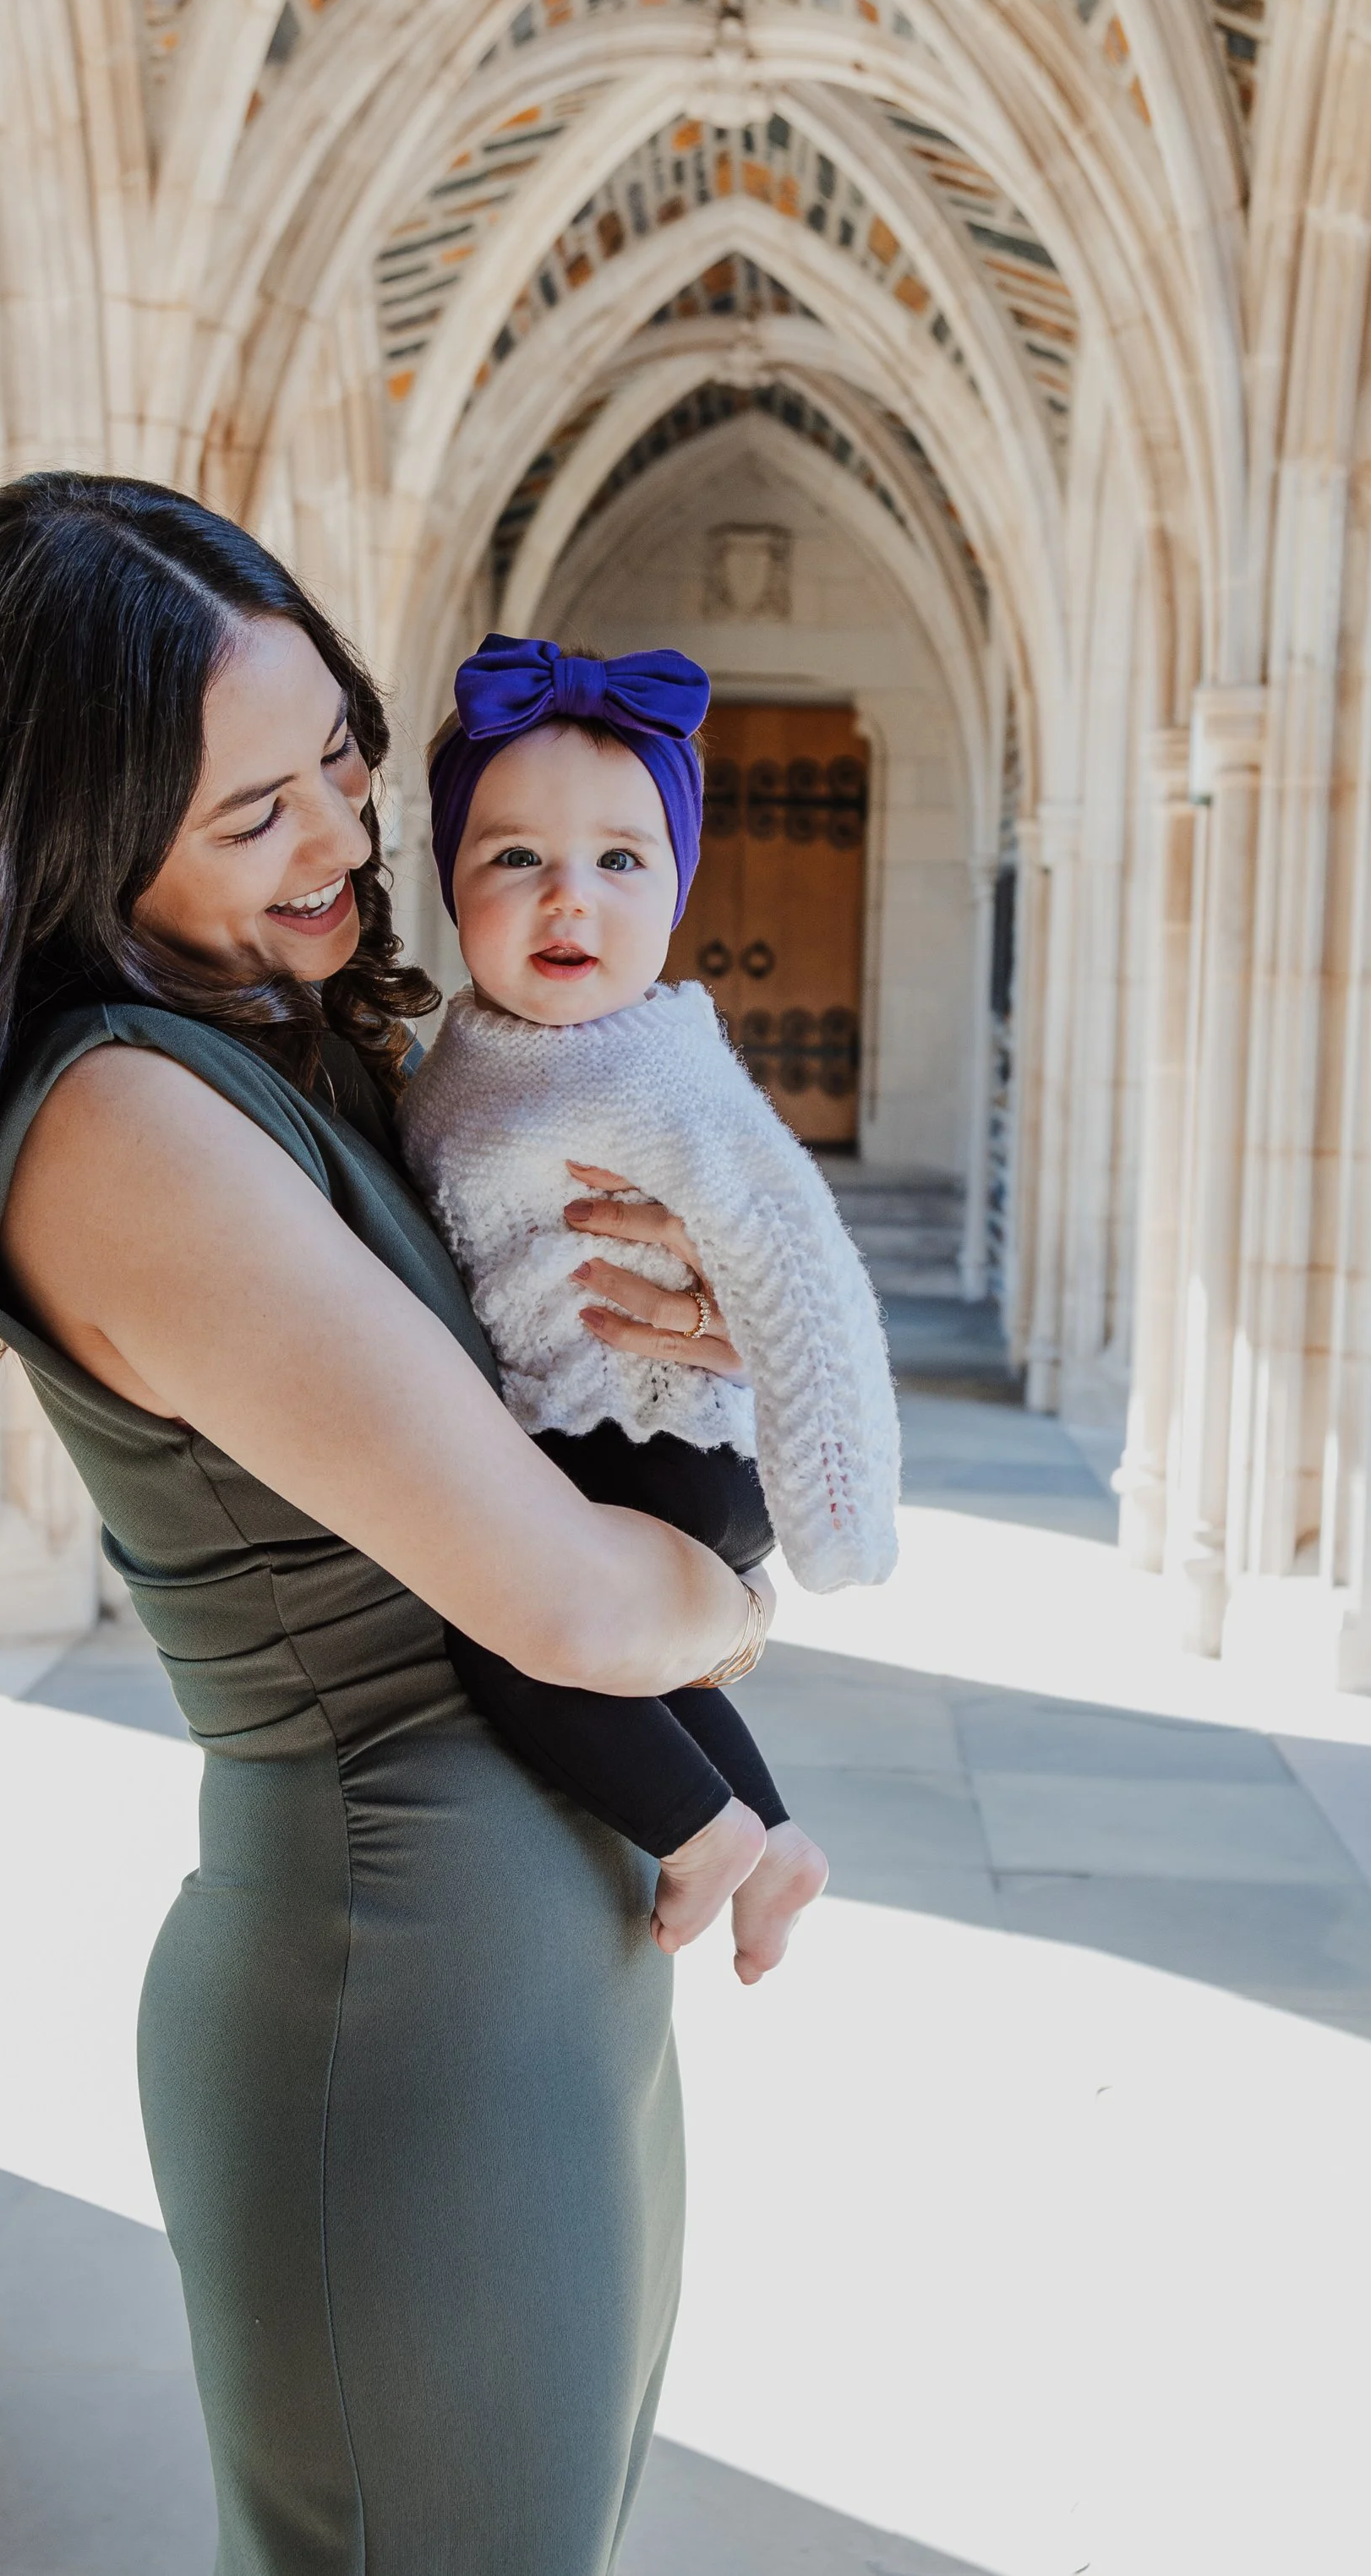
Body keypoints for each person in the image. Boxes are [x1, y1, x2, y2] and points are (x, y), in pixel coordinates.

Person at [0, 473, 778, 2576]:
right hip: (403, 1991)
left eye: (336, 747)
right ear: (74, 850)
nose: (346, 833)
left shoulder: (262, 1039)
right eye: (255, 815)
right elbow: (573, 1599)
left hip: (534, 1968)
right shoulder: (124, 1119)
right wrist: (738, 1578)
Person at [400, 636, 901, 1984]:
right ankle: (776, 1840)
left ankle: (698, 1833)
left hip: (658, 1438)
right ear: (447, 883)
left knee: (507, 1625)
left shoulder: (656, 1071)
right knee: (642, 1669)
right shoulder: (473, 1050)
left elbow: (801, 1264)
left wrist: (836, 1502)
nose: (571, 898)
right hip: (588, 1433)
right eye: (516, 858)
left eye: (622, 861)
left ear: (679, 889)